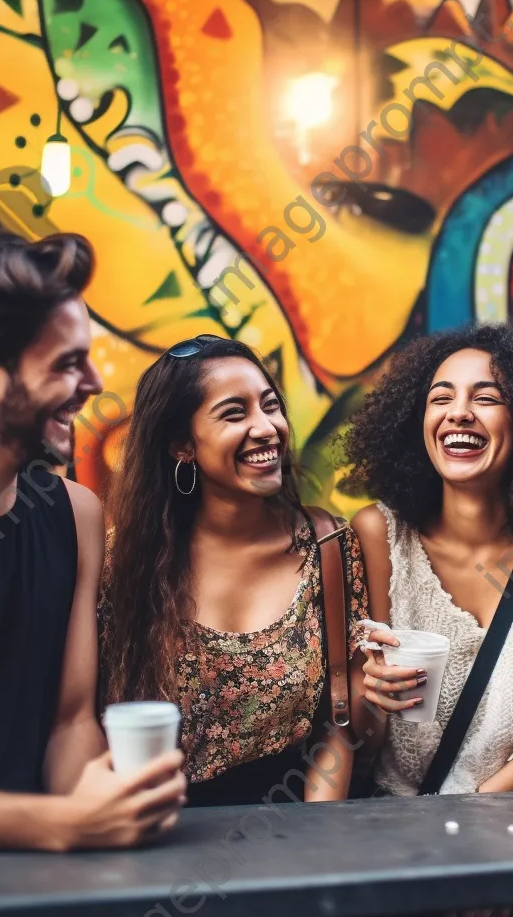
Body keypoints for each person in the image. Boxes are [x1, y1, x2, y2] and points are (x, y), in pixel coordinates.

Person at [0, 230, 187, 917]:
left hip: (34, 867)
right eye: (67, 365)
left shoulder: (75, 513)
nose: (92, 386)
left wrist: (106, 801)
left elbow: (66, 722)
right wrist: (66, 824)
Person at [342, 323, 513, 799]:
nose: (459, 414)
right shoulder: (377, 534)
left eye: (487, 399)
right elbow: (358, 739)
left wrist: (472, 811)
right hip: (392, 832)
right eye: (440, 398)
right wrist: (372, 696)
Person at [99, 335, 371, 809]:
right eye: (234, 413)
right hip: (158, 832)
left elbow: (338, 725)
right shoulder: (122, 564)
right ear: (182, 444)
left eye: (270, 406)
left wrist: (323, 843)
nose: (266, 428)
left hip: (294, 832)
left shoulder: (329, 546)